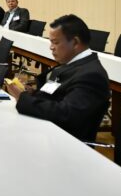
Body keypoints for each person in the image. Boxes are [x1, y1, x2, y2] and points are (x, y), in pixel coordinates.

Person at [6, 14, 110, 142]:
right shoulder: (71, 64)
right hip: (48, 131)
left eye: (55, 42)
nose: (51, 47)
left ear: (75, 42)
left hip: (67, 144)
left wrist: (23, 99)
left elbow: (66, 114)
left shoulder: (92, 75)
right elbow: (54, 96)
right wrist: (33, 93)